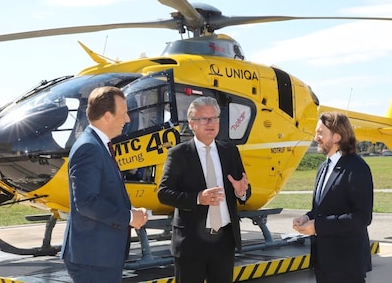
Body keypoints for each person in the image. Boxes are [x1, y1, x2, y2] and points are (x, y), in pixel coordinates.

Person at [158, 96, 251, 283]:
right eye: (204, 119)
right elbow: (164, 193)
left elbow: (244, 190)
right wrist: (198, 198)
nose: (211, 123)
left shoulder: (230, 152)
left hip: (223, 241)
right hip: (191, 243)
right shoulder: (178, 154)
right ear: (191, 123)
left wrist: (241, 192)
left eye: (215, 118)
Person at [61, 86, 149, 283]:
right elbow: (86, 203)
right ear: (108, 116)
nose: (127, 119)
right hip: (94, 259)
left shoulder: (98, 145)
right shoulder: (88, 148)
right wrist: (128, 217)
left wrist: (132, 212)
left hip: (100, 257)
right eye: (124, 113)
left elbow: (103, 194)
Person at [292, 111, 374, 283]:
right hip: (323, 262)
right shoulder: (323, 168)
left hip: (347, 264)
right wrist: (307, 217)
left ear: (337, 136)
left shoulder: (356, 168)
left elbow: (362, 217)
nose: (316, 138)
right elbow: (321, 209)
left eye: (320, 133)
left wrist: (318, 227)